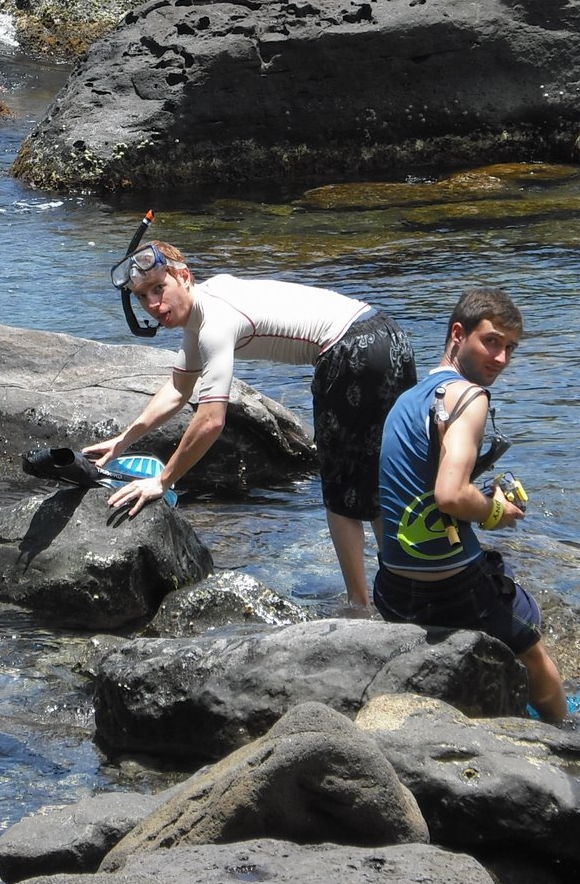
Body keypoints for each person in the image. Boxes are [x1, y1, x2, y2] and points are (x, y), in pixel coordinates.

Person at [84, 239, 416, 609]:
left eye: (158, 288)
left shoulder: (212, 323)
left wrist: (164, 481)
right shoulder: (207, 308)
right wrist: (122, 442)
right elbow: (178, 390)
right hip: (388, 335)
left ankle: (359, 606)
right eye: (142, 296)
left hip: (349, 351)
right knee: (377, 483)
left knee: (341, 492)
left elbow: (211, 421)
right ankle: (405, 592)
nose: (152, 304)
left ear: (184, 277)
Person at [373, 287, 568, 722]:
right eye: (492, 341)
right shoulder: (470, 398)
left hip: (391, 588)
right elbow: (450, 495)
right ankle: (566, 744)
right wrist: (496, 511)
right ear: (458, 334)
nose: (501, 358)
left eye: (510, 348)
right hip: (451, 589)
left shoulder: (407, 400)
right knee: (537, 656)